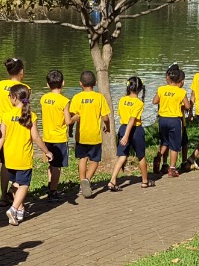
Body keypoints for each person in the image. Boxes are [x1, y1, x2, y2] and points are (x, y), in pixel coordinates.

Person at [0, 84, 50, 225]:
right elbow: (36, 137)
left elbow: (2, 137)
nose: (9, 98)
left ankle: (20, 210)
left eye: (9, 96)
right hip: (23, 157)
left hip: (9, 157)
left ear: (15, 98)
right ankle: (14, 208)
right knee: (24, 184)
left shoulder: (6, 115)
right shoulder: (31, 115)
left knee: (16, 183)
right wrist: (47, 151)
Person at [0, 58, 27, 205]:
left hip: (1, 127)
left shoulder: (0, 85)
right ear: (21, 72)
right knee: (19, 159)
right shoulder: (24, 87)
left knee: (4, 162)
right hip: (18, 127)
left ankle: (4, 196)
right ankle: (16, 188)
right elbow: (25, 109)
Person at [68, 71, 111, 199]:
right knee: (95, 160)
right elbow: (106, 117)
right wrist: (107, 127)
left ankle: (82, 185)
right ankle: (87, 179)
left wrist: (70, 130)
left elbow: (72, 117)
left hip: (81, 135)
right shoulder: (99, 98)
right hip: (95, 135)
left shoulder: (76, 98)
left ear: (80, 83)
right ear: (95, 83)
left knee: (82, 158)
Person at [108, 77, 149, 191]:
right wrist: (127, 135)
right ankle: (145, 181)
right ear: (140, 88)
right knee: (141, 155)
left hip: (122, 127)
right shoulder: (139, 103)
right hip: (135, 130)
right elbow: (132, 119)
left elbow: (121, 114)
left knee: (122, 155)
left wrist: (124, 133)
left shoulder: (122, 100)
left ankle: (112, 181)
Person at [39, 70, 71, 200]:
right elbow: (68, 121)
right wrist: (75, 118)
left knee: (51, 164)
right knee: (57, 166)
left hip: (47, 136)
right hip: (59, 138)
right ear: (63, 83)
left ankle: (50, 185)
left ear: (47, 84)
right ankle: (53, 191)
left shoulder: (43, 99)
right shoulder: (64, 101)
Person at [154, 65, 191, 179]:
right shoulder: (181, 92)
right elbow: (188, 106)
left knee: (164, 142)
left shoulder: (161, 89)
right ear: (180, 80)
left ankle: (158, 158)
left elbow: (155, 101)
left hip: (162, 119)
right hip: (175, 120)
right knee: (174, 145)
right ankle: (172, 169)